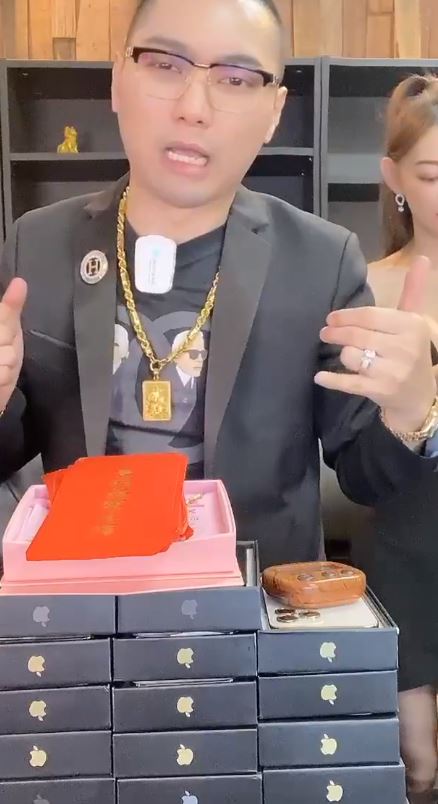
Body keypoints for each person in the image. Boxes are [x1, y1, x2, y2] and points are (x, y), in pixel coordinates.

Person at [0, 0, 438, 573]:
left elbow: (366, 476)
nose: (193, 108)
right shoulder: (37, 244)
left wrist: (412, 412)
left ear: (274, 110)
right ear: (118, 79)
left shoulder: (321, 261)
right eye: (165, 65)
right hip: (83, 598)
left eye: (235, 79)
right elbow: (11, 449)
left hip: (254, 607)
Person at [367, 74, 438, 801]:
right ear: (395, 180)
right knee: (416, 765)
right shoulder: (367, 285)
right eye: (433, 175)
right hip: (407, 529)